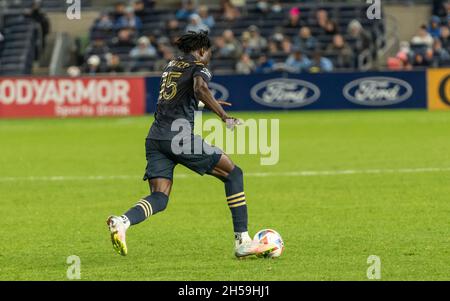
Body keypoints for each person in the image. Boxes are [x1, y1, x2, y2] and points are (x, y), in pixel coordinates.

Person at [106, 31, 271, 258]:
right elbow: (200, 89)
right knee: (233, 174)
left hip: (156, 138)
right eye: (209, 52)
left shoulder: (171, 66)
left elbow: (178, 99)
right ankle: (242, 240)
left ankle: (122, 221)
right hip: (179, 138)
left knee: (160, 198)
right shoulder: (199, 67)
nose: (209, 57)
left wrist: (205, 104)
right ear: (202, 50)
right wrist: (224, 116)